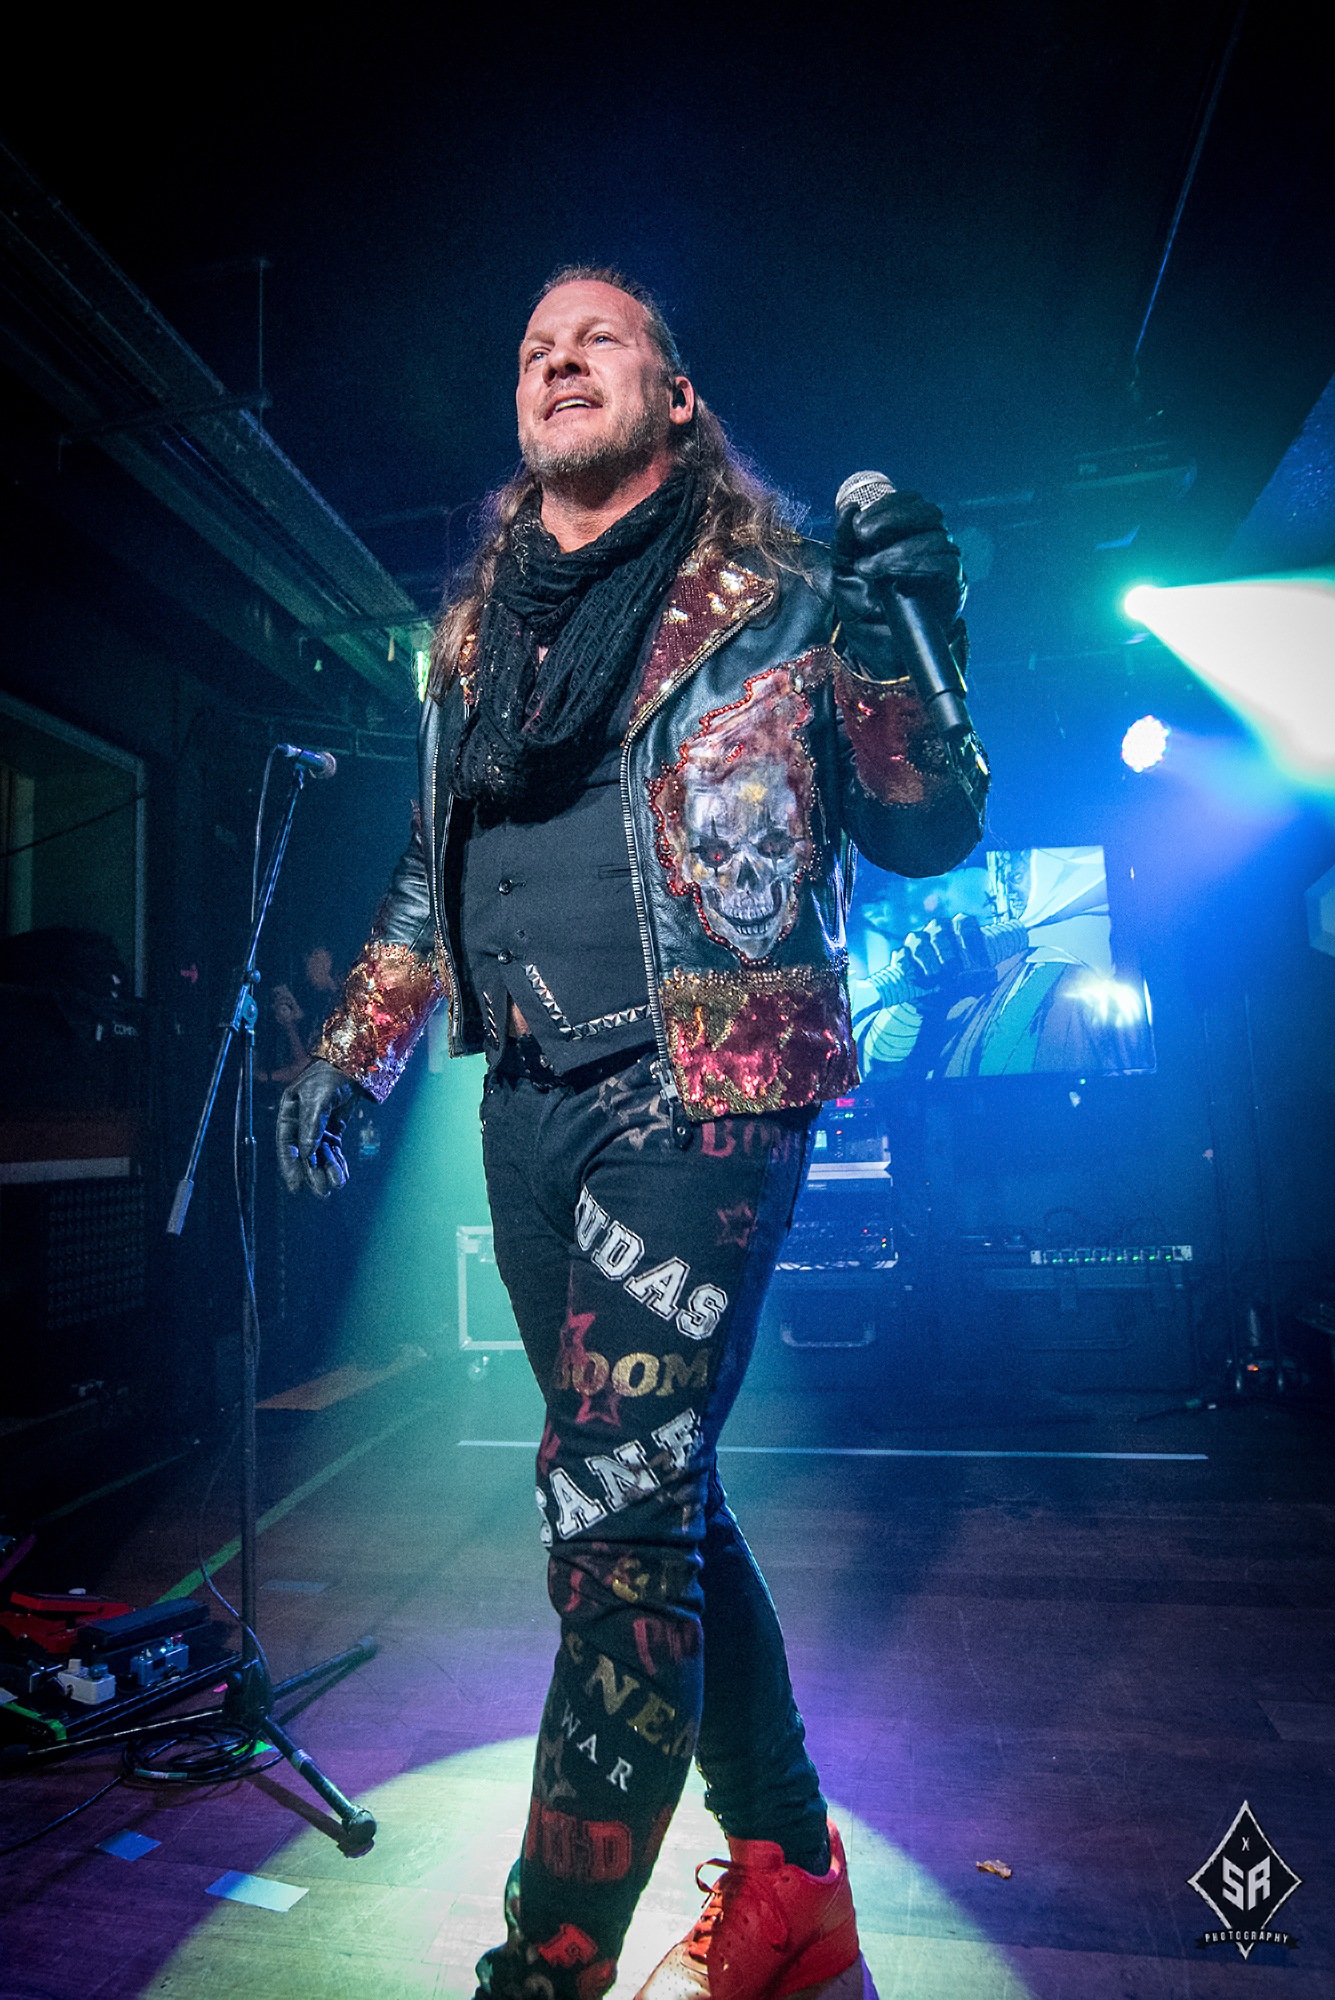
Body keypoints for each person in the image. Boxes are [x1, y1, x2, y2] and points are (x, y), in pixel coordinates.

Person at [277, 268, 987, 2000]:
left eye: (595, 335)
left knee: (611, 1519)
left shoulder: (786, 595)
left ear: (677, 400)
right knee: (654, 1503)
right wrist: (351, 1054)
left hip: (704, 1090)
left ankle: (547, 1967)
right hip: (528, 1100)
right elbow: (423, 877)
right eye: (533, 345)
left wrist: (907, 633)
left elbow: (926, 828)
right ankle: (793, 1874)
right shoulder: (473, 641)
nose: (555, 355)